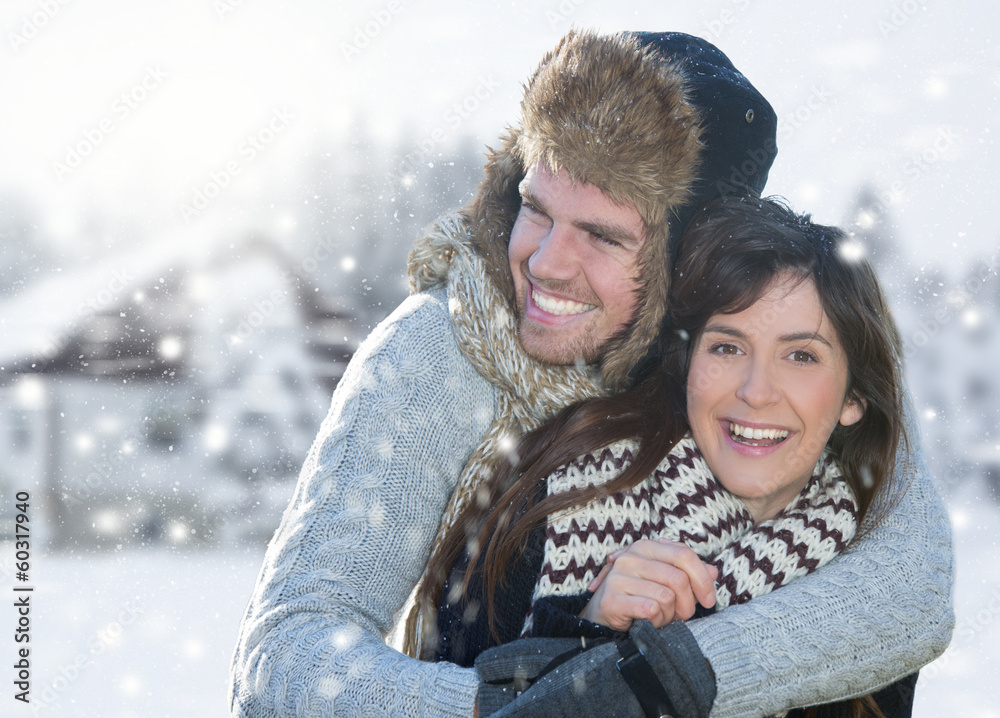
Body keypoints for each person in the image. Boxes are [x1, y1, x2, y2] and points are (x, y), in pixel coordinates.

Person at [228, 29, 953, 718]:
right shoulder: (445, 349)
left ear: (686, 259)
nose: (544, 263)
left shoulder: (768, 345)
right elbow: (287, 654)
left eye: (603, 235)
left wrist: (652, 680)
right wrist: (518, 703)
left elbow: (910, 586)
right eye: (536, 209)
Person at [447, 196, 916, 717]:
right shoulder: (553, 493)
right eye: (727, 347)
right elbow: (442, 692)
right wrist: (589, 634)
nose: (757, 391)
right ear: (687, 363)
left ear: (854, 399)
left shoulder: (870, 583)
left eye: (801, 355)